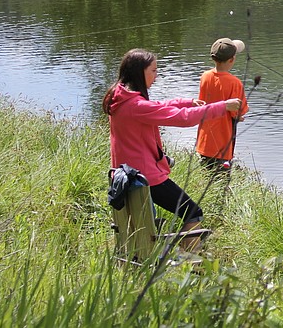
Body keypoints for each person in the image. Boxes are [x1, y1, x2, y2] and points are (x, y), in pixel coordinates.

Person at [103, 49, 241, 250]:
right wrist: (223, 106)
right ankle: (191, 264)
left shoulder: (118, 97)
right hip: (145, 177)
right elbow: (183, 118)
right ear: (139, 72)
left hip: (124, 173)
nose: (156, 76)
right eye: (153, 71)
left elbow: (157, 106)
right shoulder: (137, 106)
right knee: (193, 212)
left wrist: (185, 102)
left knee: (143, 224)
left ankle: (159, 257)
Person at [196, 38, 250, 171]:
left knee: (205, 176)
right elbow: (239, 111)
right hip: (223, 144)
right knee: (221, 180)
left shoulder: (205, 76)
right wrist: (239, 117)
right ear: (232, 60)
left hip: (204, 141)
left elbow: (202, 103)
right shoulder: (235, 83)